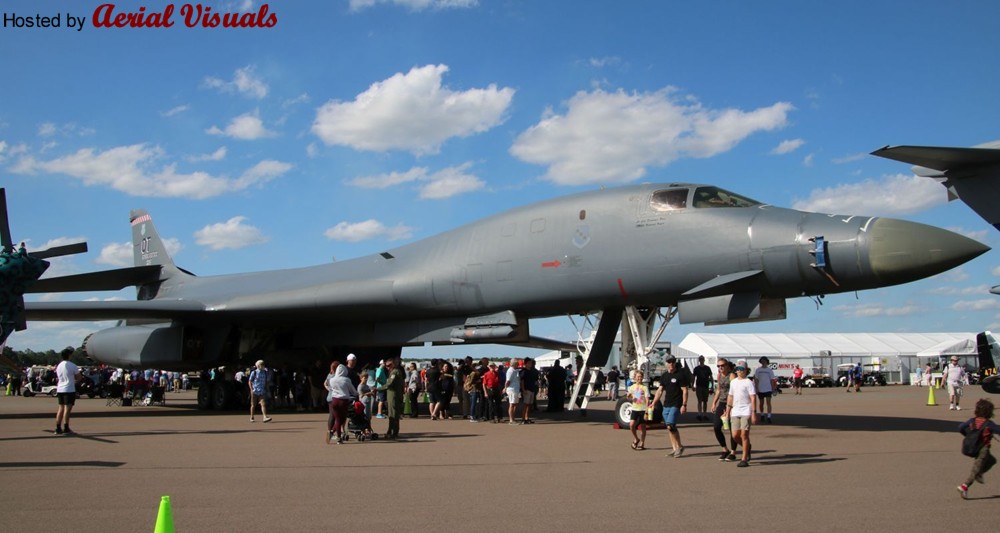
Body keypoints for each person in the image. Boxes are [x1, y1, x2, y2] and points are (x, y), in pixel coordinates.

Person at [957, 399, 998, 499]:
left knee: (992, 461)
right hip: (983, 449)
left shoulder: (972, 421)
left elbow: (960, 427)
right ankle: (965, 486)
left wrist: (968, 435)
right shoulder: (989, 424)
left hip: (972, 447)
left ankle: (979, 473)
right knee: (976, 469)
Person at [650, 356, 690, 457]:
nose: (671, 364)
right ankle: (674, 448)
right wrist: (654, 402)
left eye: (672, 362)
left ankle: (680, 446)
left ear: (675, 363)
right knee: (669, 427)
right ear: (666, 363)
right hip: (666, 404)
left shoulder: (680, 375)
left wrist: (684, 405)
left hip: (676, 404)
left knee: (671, 425)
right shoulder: (664, 376)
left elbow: (685, 390)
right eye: (669, 362)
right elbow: (660, 390)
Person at [726, 363, 758, 467]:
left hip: (746, 411)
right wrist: (728, 411)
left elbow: (753, 397)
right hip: (735, 411)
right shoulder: (733, 382)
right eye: (738, 369)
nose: (740, 371)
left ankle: (744, 458)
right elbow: (730, 396)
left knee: (744, 434)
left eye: (742, 369)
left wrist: (753, 413)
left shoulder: (748, 382)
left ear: (746, 370)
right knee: (735, 435)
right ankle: (747, 447)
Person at [711, 359, 737, 461]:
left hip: (731, 404)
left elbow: (734, 391)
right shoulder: (719, 375)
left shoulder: (732, 376)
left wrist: (729, 408)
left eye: (722, 365)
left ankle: (733, 452)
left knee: (732, 429)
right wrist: (714, 403)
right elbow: (718, 390)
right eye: (718, 366)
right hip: (721, 403)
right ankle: (724, 449)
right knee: (717, 426)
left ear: (727, 366)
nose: (720, 368)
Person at [324, 361, 357, 444]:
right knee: (341, 420)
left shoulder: (332, 380)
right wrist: (356, 394)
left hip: (334, 400)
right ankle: (338, 437)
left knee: (338, 419)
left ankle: (332, 432)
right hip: (343, 401)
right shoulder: (347, 380)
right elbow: (352, 391)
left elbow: (328, 386)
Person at [54, 348, 81, 435]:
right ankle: (66, 427)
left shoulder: (59, 365)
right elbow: (79, 377)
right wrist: (75, 381)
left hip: (60, 388)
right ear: (69, 355)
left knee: (60, 408)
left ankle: (58, 427)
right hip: (69, 389)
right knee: (67, 409)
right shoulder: (72, 365)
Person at [379, 357, 405, 439]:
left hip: (394, 396)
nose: (387, 367)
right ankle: (391, 431)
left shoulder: (395, 372)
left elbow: (389, 384)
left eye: (389, 365)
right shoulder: (394, 371)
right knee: (392, 414)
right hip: (393, 395)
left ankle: (393, 432)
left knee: (393, 414)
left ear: (393, 364)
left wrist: (378, 388)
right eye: (386, 366)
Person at [627, 370, 649, 450]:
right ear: (635, 378)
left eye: (641, 377)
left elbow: (647, 399)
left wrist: (647, 411)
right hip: (635, 409)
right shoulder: (632, 387)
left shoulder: (644, 387)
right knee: (631, 425)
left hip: (643, 409)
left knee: (643, 427)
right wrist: (629, 395)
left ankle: (642, 443)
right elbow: (629, 397)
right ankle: (636, 438)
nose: (639, 378)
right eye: (638, 377)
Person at [753, 357, 775, 423]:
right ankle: (762, 414)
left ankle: (769, 416)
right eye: (762, 361)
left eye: (764, 361)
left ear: (766, 361)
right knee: (761, 403)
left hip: (768, 388)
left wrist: (773, 388)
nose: (763, 362)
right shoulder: (758, 370)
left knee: (768, 403)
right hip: (760, 388)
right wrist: (756, 388)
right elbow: (756, 379)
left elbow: (772, 380)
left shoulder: (769, 370)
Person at [691, 356, 713, 421]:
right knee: (699, 401)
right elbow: (693, 377)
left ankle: (705, 414)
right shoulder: (696, 368)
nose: (701, 360)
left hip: (706, 386)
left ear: (704, 360)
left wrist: (711, 386)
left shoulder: (707, 368)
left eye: (702, 359)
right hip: (699, 386)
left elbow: (711, 377)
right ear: (699, 360)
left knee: (705, 401)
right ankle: (699, 414)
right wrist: (692, 385)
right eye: (700, 359)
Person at [521, 358, 539, 424]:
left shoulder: (532, 371)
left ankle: (527, 418)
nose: (530, 364)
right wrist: (523, 389)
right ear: (526, 364)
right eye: (529, 363)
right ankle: (523, 419)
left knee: (530, 405)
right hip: (527, 389)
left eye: (531, 363)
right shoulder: (524, 371)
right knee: (526, 404)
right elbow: (522, 381)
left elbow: (535, 380)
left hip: (532, 389)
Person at [505, 358, 523, 424]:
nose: (518, 365)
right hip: (512, 389)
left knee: (515, 404)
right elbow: (508, 381)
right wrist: (505, 388)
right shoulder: (510, 371)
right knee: (512, 404)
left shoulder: (514, 370)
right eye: (517, 364)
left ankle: (513, 418)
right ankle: (511, 420)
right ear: (514, 364)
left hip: (515, 389)